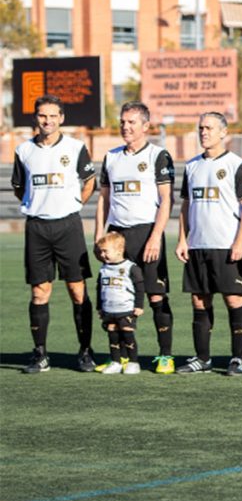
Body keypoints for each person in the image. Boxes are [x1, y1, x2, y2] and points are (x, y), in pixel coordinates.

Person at [11, 94, 97, 373]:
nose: (47, 121)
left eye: (52, 116)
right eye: (42, 116)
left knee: (77, 289)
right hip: (37, 227)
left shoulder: (75, 147)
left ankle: (85, 351)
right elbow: (18, 186)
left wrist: (73, 205)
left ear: (62, 118)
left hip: (68, 226)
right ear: (35, 118)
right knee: (39, 291)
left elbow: (89, 182)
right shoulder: (24, 151)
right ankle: (40, 355)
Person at [93, 102, 175, 373]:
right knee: (115, 295)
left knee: (154, 296)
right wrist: (99, 235)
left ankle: (165, 355)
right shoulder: (111, 157)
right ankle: (122, 357)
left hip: (146, 232)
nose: (126, 127)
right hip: (117, 234)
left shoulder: (158, 155)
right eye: (123, 122)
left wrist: (155, 237)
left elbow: (166, 200)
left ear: (145, 126)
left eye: (131, 122)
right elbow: (104, 200)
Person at [174, 112, 242, 375]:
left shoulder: (236, 165)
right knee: (199, 301)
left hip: (226, 245)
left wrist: (240, 241)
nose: (203, 132)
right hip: (198, 245)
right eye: (201, 128)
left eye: (209, 128)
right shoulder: (192, 166)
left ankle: (238, 359)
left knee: (233, 299)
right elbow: (186, 205)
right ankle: (202, 358)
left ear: (223, 132)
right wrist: (182, 239)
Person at [94, 232, 145, 375]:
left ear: (119, 250)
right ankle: (116, 362)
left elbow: (140, 288)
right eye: (100, 251)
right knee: (113, 336)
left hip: (126, 309)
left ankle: (133, 363)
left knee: (128, 335)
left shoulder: (131, 268)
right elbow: (100, 288)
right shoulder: (103, 268)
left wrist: (139, 306)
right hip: (109, 310)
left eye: (105, 251)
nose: (102, 255)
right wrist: (99, 306)